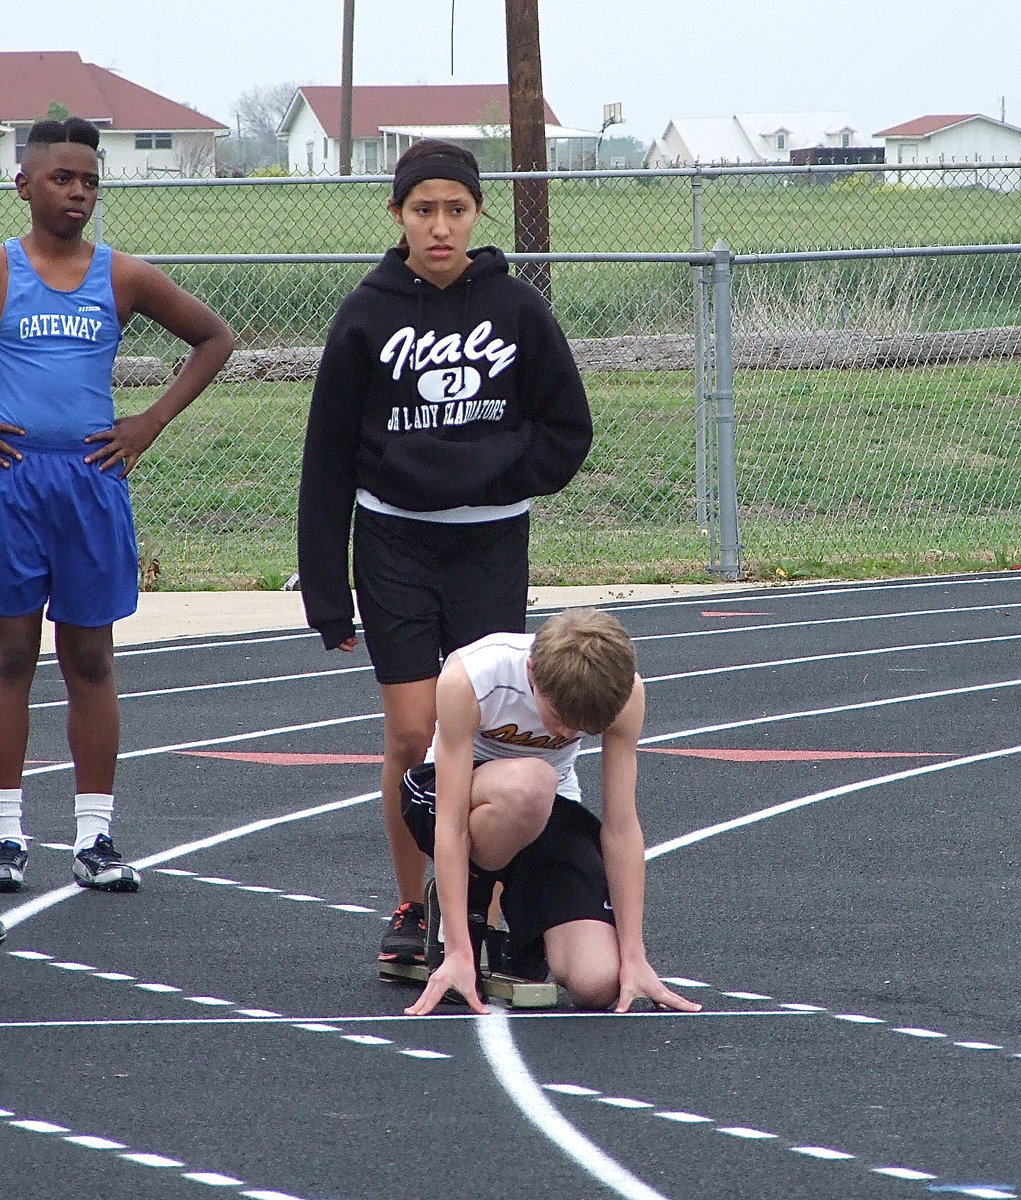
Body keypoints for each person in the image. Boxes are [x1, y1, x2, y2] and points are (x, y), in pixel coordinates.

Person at [298, 139, 592, 966]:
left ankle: (475, 907)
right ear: (396, 215)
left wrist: (493, 472)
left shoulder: (517, 308)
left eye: (454, 209)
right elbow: (325, 459)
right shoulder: (365, 312)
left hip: (489, 545)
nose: (438, 225)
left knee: (488, 733)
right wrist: (327, 590)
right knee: (410, 732)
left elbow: (567, 429)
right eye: (422, 209)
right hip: (391, 542)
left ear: (476, 215)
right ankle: (410, 903)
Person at [0, 117, 234, 894]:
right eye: (62, 178)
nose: (78, 192)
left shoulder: (121, 275)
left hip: (91, 483)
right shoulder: (3, 270)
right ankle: (7, 836)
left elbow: (213, 338)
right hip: (14, 484)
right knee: (8, 658)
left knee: (90, 659)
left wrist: (149, 422)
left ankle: (95, 837)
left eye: (90, 181)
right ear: (23, 183)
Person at [399, 607, 704, 1017]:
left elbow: (620, 827)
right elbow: (451, 825)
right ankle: (467, 910)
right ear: (531, 671)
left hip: (548, 811)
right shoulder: (473, 676)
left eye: (582, 729)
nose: (565, 734)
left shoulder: (625, 692)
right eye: (559, 717)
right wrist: (456, 949)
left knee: (597, 984)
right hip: (452, 799)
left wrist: (635, 955)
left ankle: (525, 932)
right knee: (533, 783)